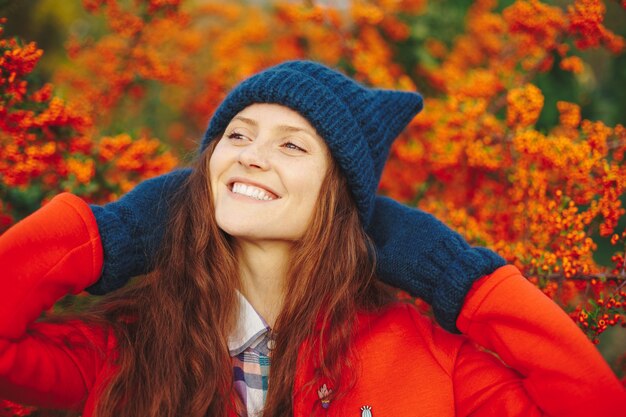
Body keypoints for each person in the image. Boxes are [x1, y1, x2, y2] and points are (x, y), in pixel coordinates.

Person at [0, 60, 624, 417]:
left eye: (292, 145)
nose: (250, 156)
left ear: (340, 198)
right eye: (237, 136)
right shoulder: (136, 344)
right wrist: (114, 234)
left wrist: (458, 276)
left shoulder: (426, 360)